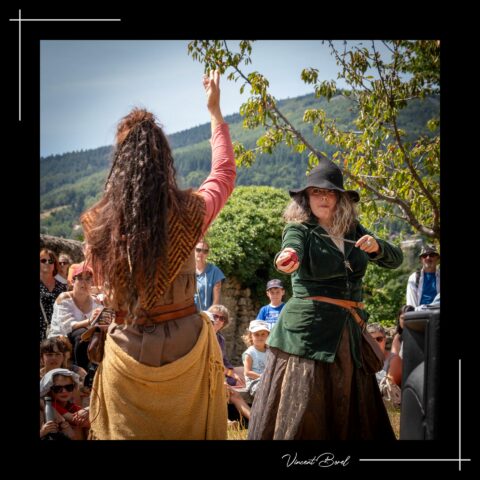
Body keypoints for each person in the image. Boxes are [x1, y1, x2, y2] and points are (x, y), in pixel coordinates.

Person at [80, 70, 235, 439]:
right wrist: (214, 112)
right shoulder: (189, 211)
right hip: (188, 347)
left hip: (126, 348)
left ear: (119, 163)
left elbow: (101, 286)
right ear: (164, 157)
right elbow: (224, 173)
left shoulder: (97, 223)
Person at [247, 159, 403, 440]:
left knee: (352, 407)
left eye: (329, 192)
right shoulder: (300, 229)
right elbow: (289, 250)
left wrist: (377, 246)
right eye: (316, 192)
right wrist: (288, 259)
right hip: (307, 334)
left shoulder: (354, 229)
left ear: (340, 198)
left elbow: (397, 259)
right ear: (306, 197)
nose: (323, 197)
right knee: (304, 406)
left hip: (348, 331)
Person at [48, 263, 102, 370]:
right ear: (73, 281)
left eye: (88, 279)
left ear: (92, 282)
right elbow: (67, 326)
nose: (84, 283)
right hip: (61, 338)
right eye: (80, 278)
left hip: (86, 342)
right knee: (81, 333)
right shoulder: (64, 298)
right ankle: (82, 371)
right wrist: (89, 321)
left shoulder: (96, 301)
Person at [207, 304, 244, 387]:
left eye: (222, 318)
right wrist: (230, 374)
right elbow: (211, 362)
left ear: (224, 323)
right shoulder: (204, 337)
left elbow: (224, 359)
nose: (218, 320)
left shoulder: (220, 339)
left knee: (242, 374)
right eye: (215, 316)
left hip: (221, 371)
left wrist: (231, 371)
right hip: (209, 372)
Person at [40, 249, 67, 341]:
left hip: (57, 332)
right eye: (43, 260)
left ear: (54, 264)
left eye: (51, 261)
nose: (47, 263)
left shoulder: (62, 286)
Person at [195, 239, 225, 311]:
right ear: (193, 251)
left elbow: (216, 300)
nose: (201, 253)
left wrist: (210, 316)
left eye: (205, 251)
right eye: (198, 250)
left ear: (208, 253)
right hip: (189, 316)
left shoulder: (214, 271)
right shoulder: (187, 272)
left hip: (206, 316)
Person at [242, 320, 270, 397]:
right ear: (251, 336)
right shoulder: (250, 353)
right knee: (266, 389)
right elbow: (247, 372)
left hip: (268, 380)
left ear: (268, 335)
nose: (260, 337)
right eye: (256, 334)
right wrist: (263, 377)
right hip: (254, 382)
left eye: (263, 334)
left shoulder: (270, 351)